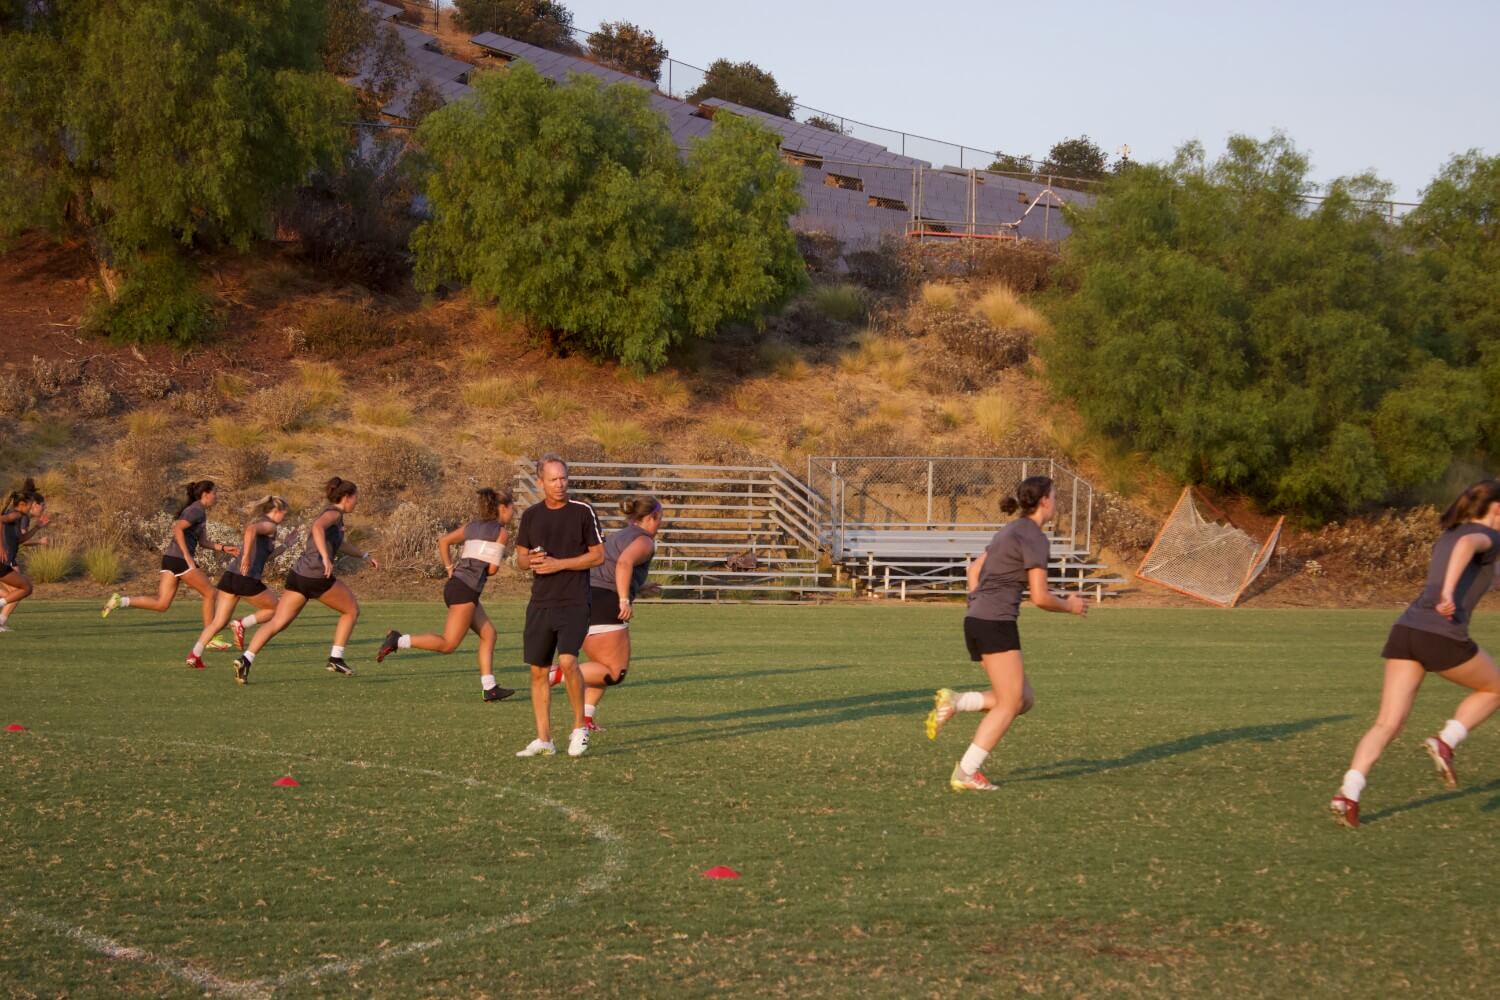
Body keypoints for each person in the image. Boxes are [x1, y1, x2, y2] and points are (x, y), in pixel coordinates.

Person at [1330, 480, 1500, 829]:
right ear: (1497, 509)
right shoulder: (1486, 535)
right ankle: (1446, 741)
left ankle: (1349, 793)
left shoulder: (1449, 534)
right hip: (1441, 634)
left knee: (1387, 723)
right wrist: (1449, 593)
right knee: (1495, 688)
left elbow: (1476, 563)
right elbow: (1470, 545)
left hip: (1407, 631)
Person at [925, 475, 1088, 792]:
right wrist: (1070, 605)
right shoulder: (1035, 537)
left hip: (977, 620)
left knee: (1023, 699)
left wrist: (977, 603)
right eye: (1055, 496)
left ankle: (957, 701)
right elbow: (1040, 597)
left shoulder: (1009, 530)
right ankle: (966, 772)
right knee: (1010, 703)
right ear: (1044, 500)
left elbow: (974, 570)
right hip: (995, 623)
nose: (1057, 503)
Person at [231, 477, 379, 684]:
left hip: (299, 575)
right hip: (316, 576)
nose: (357, 501)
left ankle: (245, 660)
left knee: (278, 622)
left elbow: (340, 544)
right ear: (346, 497)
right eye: (356, 497)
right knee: (351, 610)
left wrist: (364, 556)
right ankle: (336, 658)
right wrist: (325, 558)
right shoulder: (334, 513)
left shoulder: (335, 516)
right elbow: (317, 527)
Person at [376, 487, 517, 703]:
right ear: (502, 508)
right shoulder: (501, 533)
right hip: (465, 590)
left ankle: (490, 688)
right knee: (448, 644)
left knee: (489, 634)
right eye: (512, 507)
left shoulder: (472, 526)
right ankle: (398, 640)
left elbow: (443, 541)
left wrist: (450, 568)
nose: (514, 512)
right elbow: (492, 570)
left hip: (457, 585)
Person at [513, 455, 603, 759]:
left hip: (574, 600)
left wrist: (559, 564)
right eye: (553, 479)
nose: (560, 484)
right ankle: (544, 739)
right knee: (538, 671)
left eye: (563, 478)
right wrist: (530, 561)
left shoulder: (582, 511)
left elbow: (598, 556)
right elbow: (520, 559)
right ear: (541, 482)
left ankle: (579, 728)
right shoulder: (531, 516)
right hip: (540, 602)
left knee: (567, 661)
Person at [547, 497, 663, 732]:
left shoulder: (618, 535)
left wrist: (639, 587)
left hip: (583, 598)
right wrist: (623, 599)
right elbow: (623, 564)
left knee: (600, 667)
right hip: (604, 603)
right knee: (614, 672)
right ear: (651, 517)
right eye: (660, 518)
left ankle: (586, 719)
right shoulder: (644, 540)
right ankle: (557, 674)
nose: (661, 523)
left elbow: (607, 569)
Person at [102, 481, 239, 651]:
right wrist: (187, 555)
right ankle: (210, 638)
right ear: (205, 494)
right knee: (211, 593)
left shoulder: (200, 512)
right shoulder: (195, 510)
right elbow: (177, 528)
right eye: (215, 493)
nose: (217, 496)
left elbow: (203, 541)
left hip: (170, 559)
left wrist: (224, 548)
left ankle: (120, 601)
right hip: (180, 559)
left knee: (162, 604)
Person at [185, 495, 289, 673]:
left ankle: (194, 655)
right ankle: (242, 624)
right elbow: (250, 530)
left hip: (231, 576)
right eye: (284, 514)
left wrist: (286, 546)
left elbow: (265, 557)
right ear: (276, 511)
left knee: (218, 622)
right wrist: (246, 557)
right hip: (246, 578)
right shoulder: (269, 525)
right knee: (277, 610)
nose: (284, 518)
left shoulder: (264, 524)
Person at [0, 478, 51, 633]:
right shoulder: (17, 515)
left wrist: (37, 528)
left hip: (5, 561)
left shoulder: (18, 516)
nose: (31, 507)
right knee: (23, 589)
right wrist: (1, 547)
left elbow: (21, 540)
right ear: (23, 504)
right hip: (3, 560)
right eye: (30, 504)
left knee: (21, 590)